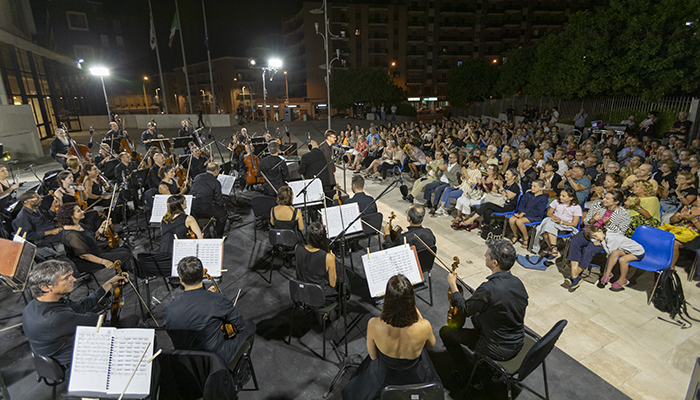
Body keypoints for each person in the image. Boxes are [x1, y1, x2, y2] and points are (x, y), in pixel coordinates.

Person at [342, 274, 440, 400]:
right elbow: (430, 345)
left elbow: (373, 356)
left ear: (387, 300)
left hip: (384, 378)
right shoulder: (424, 326)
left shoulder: (373, 324)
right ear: (411, 300)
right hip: (413, 377)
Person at [440, 240, 528, 379]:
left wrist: (453, 286)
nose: (484, 255)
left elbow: (464, 309)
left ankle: (468, 375)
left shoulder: (488, 289)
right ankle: (483, 359)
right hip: (517, 340)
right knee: (476, 317)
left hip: (499, 348)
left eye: (487, 254)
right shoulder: (518, 283)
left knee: (445, 332)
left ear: (495, 263)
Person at [22, 260, 135, 366]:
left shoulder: (36, 303)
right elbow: (98, 321)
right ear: (46, 287)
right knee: (131, 321)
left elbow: (81, 306)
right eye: (67, 278)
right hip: (66, 359)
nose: (74, 279)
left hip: (56, 347)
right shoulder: (56, 318)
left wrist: (110, 283)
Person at [163, 256, 255, 365]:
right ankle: (239, 370)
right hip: (215, 358)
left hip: (186, 360)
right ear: (202, 276)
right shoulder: (217, 300)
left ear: (181, 280)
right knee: (250, 326)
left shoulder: (169, 308)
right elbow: (240, 325)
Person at [565, 190, 631, 290]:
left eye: (607, 199)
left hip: (604, 237)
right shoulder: (597, 205)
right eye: (604, 197)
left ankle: (574, 275)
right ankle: (575, 276)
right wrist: (593, 220)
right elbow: (587, 222)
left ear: (616, 202)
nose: (603, 199)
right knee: (575, 241)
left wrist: (609, 224)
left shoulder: (624, 213)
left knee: (589, 250)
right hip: (589, 231)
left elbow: (621, 231)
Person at [58, 202, 135, 273]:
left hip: (95, 251)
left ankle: (123, 275)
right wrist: (104, 262)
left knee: (126, 249)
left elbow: (94, 236)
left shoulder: (79, 224)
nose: (83, 212)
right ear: (71, 216)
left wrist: (102, 226)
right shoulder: (72, 235)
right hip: (88, 261)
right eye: (79, 211)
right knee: (125, 255)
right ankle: (138, 274)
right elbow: (84, 255)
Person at [587, 226, 645, 292]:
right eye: (594, 237)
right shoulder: (607, 234)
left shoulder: (611, 238)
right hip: (626, 250)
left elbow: (609, 252)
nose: (596, 238)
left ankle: (622, 279)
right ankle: (607, 273)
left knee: (622, 260)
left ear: (600, 231)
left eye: (596, 236)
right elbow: (612, 252)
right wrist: (596, 239)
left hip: (637, 252)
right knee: (614, 253)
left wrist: (603, 241)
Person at [530, 188, 583, 258]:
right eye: (560, 195)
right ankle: (553, 249)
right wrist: (555, 218)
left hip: (565, 225)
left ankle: (551, 250)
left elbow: (574, 224)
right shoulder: (556, 201)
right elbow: (549, 213)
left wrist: (561, 221)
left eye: (563, 196)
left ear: (571, 198)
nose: (560, 197)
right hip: (553, 222)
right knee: (547, 229)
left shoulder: (576, 207)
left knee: (547, 227)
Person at [295, 222, 338, 306]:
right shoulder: (329, 258)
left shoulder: (297, 248)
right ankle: (333, 311)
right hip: (318, 294)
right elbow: (332, 284)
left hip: (301, 291)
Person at [190, 162, 228, 237]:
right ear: (216, 171)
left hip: (191, 207)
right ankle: (218, 236)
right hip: (203, 208)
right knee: (223, 214)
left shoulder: (198, 176)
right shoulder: (216, 182)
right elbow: (219, 201)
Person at [508, 180, 549, 248]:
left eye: (534, 186)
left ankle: (526, 237)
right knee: (511, 220)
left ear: (541, 188)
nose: (532, 188)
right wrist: (521, 213)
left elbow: (538, 211)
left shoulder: (544, 198)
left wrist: (524, 214)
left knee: (519, 221)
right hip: (523, 213)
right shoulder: (528, 194)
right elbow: (521, 205)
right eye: (532, 186)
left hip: (535, 216)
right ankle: (516, 235)